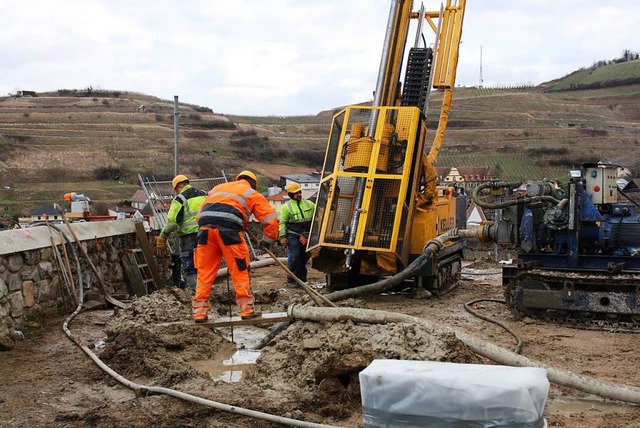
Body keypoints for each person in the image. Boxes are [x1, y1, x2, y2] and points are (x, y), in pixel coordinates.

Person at [192, 170, 278, 322]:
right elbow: (271, 220)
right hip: (229, 232)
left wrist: (239, 221)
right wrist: (267, 241)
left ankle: (199, 313)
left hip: (205, 229)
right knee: (239, 269)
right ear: (254, 184)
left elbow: (201, 214)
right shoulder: (251, 193)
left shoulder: (218, 188)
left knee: (204, 271)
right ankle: (246, 310)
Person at [155, 175, 207, 289]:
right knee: (205, 263)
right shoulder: (204, 194)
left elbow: (172, 221)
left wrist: (163, 236)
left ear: (178, 186)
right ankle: (206, 290)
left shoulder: (180, 199)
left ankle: (195, 291)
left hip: (189, 236)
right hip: (207, 233)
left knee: (190, 264)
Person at [278, 182, 315, 287]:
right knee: (294, 256)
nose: (299, 194)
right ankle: (291, 280)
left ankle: (302, 279)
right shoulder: (286, 207)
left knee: (304, 257)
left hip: (307, 234)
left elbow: (319, 214)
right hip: (293, 234)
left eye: (299, 192)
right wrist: (283, 237)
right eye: (296, 193)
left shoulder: (309, 204)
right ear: (290, 195)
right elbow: (282, 223)